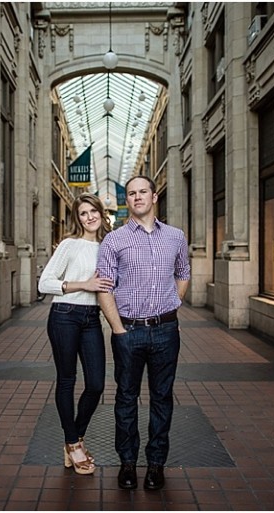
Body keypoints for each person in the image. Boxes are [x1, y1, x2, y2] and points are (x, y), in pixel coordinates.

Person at [96, 175, 190, 490]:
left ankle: (155, 465)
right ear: (128, 201)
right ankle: (127, 463)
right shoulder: (114, 240)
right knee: (125, 398)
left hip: (166, 331)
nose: (137, 197)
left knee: (162, 397)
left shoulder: (176, 237)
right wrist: (118, 329)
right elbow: (104, 288)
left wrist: (173, 304)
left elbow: (183, 273)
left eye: (142, 192)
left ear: (154, 196)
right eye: (131, 193)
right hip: (129, 332)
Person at [38, 192, 114, 475]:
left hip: (91, 319)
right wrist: (85, 284)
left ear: (101, 213)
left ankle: (75, 437)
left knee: (96, 384)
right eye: (83, 213)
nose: (90, 217)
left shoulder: (109, 245)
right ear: (77, 218)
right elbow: (45, 284)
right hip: (64, 317)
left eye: (93, 211)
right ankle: (73, 443)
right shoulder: (69, 245)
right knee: (67, 380)